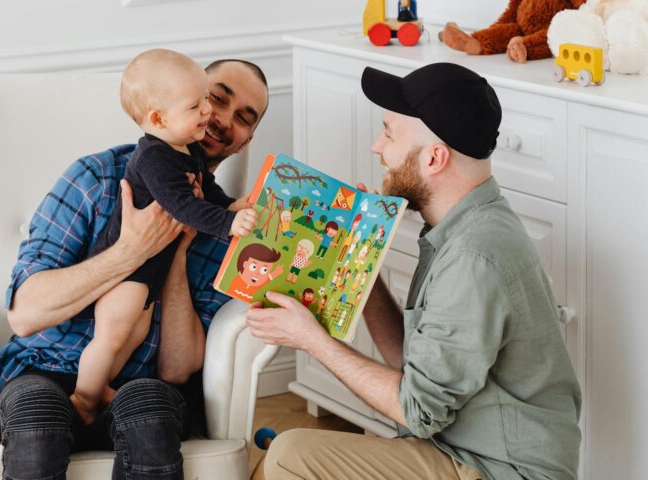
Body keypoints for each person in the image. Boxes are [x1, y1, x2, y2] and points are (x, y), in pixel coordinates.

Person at [246, 63, 582, 480]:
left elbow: (418, 410)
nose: (376, 147)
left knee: (289, 454)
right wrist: (359, 266)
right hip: (461, 449)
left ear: (434, 158)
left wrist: (310, 340)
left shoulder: (474, 256)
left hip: (499, 469)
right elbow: (415, 365)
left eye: (388, 133)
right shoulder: (460, 227)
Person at [0, 57, 269, 480]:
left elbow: (178, 368)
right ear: (175, 103)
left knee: (150, 413)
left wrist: (176, 249)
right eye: (214, 99)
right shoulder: (98, 177)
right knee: (36, 416)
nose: (220, 118)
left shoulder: (224, 230)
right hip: (43, 368)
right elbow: (25, 314)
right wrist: (130, 251)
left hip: (140, 386)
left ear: (244, 142)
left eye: (243, 118)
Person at [69, 49, 257, 424]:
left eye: (205, 99)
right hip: (126, 271)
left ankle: (102, 384)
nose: (209, 113)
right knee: (112, 333)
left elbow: (209, 192)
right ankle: (84, 398)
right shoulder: (155, 157)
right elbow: (181, 205)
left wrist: (233, 205)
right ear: (158, 117)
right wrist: (225, 223)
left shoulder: (187, 151)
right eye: (201, 103)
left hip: (148, 276)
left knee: (132, 333)